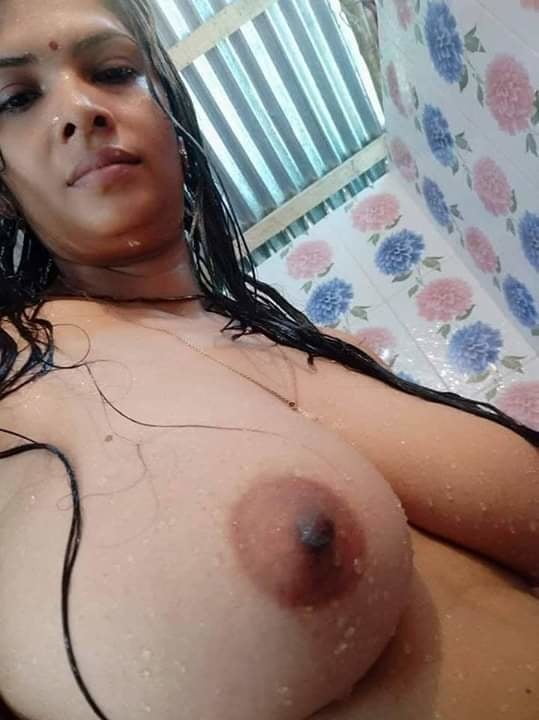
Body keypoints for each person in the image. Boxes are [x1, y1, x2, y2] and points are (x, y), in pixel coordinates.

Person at [0, 1, 537, 719]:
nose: (79, 108)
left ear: (172, 119)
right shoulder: (20, 389)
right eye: (17, 99)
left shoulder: (324, 346)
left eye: (115, 72)